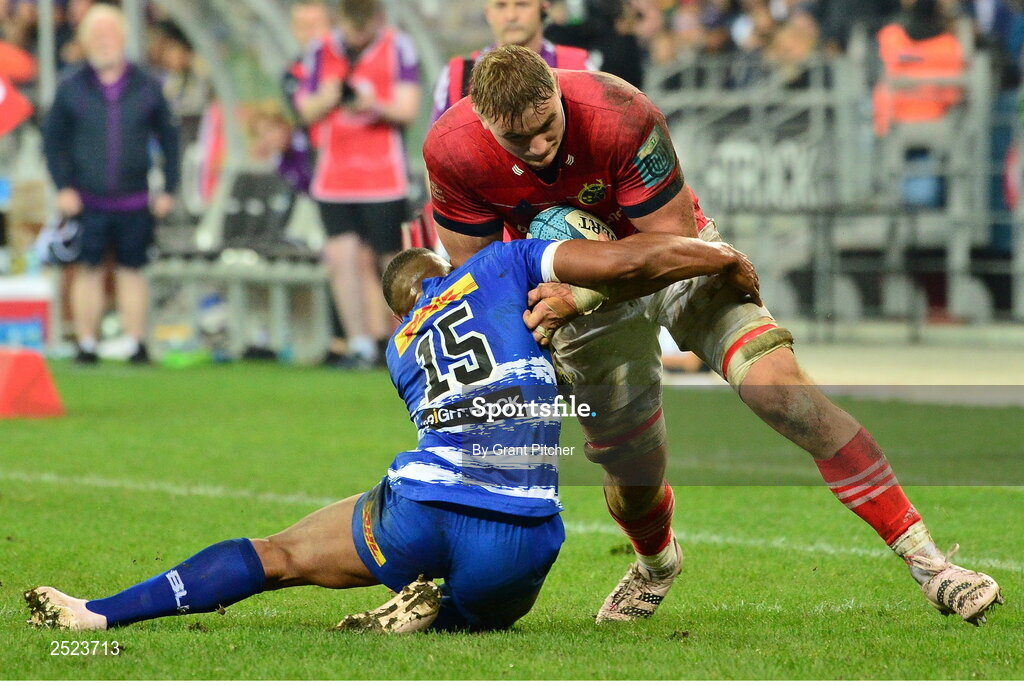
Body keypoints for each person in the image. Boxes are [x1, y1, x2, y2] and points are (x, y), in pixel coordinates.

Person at [423, 45, 1003, 625]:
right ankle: (655, 564)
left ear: (554, 91)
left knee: (781, 390)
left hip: (671, 260)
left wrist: (591, 287)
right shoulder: (452, 150)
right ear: (483, 122)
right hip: (569, 297)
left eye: (547, 128)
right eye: (518, 142)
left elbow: (670, 244)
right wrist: (530, 340)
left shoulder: (620, 112)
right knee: (633, 476)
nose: (540, 148)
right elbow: (486, 277)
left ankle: (931, 565)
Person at [25, 228, 761, 633]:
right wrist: (717, 254)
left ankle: (101, 613)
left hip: (417, 514)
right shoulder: (500, 265)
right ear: (444, 265)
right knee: (484, 615)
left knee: (277, 553)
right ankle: (437, 617)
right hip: (523, 534)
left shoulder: (399, 347)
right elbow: (627, 263)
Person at [42, 4, 179, 365]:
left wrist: (169, 188)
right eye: (96, 36)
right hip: (87, 196)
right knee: (87, 269)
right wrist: (63, 186)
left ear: (123, 37)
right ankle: (87, 342)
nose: (105, 42)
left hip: (134, 198)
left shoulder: (147, 86)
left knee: (132, 270)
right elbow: (52, 141)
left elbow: (170, 140)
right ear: (85, 42)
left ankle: (136, 342)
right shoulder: (72, 88)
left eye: (110, 34)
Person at [297, 0, 421, 369]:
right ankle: (360, 343)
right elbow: (304, 108)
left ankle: (408, 340)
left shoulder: (398, 45)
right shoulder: (320, 49)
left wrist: (374, 103)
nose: (356, 34)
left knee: (390, 261)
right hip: (335, 177)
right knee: (342, 257)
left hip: (383, 177)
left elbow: (408, 109)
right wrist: (329, 96)